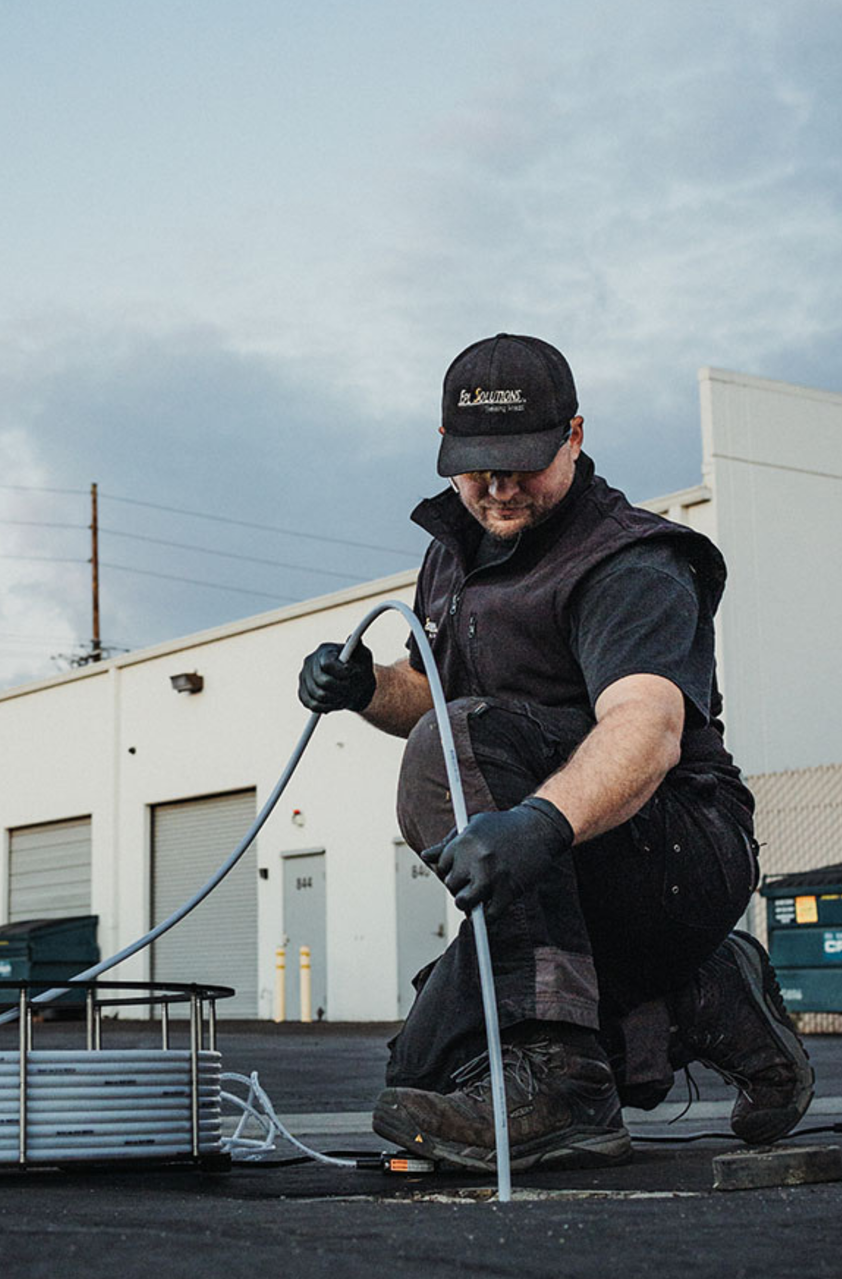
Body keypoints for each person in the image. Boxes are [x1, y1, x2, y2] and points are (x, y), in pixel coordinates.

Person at [298, 332, 813, 1174]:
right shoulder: (452, 555)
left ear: (573, 435)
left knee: (455, 748)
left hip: (679, 845)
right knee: (420, 1074)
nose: (497, 487)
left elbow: (644, 730)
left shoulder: (630, 560)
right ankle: (698, 996)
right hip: (562, 852)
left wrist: (539, 823)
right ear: (444, 452)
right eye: (476, 467)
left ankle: (564, 1078)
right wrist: (363, 687)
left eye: (521, 462)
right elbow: (440, 700)